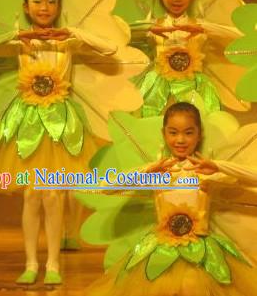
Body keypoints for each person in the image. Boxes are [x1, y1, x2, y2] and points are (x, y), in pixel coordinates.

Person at [0, 0, 146, 285]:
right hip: (29, 123)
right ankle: (31, 261)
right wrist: (19, 34)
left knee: (54, 195)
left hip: (60, 122)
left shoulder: (66, 41)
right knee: (33, 194)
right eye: (37, 1)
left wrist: (71, 33)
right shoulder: (22, 40)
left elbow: (109, 48)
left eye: (51, 1)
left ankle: (54, 264)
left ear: (59, 6)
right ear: (26, 5)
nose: (44, 7)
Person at [79, 102, 257, 296]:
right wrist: (147, 169)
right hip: (162, 248)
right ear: (164, 134)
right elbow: (107, 188)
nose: (180, 139)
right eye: (173, 132)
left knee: (191, 288)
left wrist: (219, 166)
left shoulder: (204, 174)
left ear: (199, 135)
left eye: (188, 133)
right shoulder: (160, 173)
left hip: (200, 251)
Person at [132, 0, 247, 117]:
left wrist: (203, 29)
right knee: (148, 118)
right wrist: (149, 28)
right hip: (158, 83)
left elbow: (241, 35)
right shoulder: (155, 25)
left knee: (204, 118)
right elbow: (120, 30)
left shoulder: (199, 26)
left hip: (193, 84)